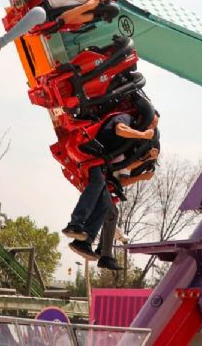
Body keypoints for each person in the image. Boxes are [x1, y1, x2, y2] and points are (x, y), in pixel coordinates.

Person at [63, 109, 159, 264]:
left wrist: (146, 158)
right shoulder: (125, 117)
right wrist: (142, 135)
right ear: (142, 117)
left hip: (97, 161)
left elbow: (126, 166)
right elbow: (119, 129)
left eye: (154, 127)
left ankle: (84, 242)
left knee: (107, 204)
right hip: (89, 151)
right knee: (98, 184)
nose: (152, 128)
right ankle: (75, 225)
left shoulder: (127, 147)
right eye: (151, 124)